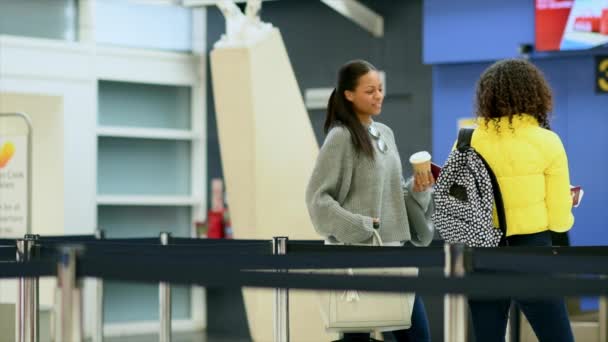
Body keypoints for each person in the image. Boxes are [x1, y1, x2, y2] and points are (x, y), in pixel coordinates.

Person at [305, 59, 433, 342]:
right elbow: (317, 198)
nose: (379, 96)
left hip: (392, 254)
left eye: (380, 89)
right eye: (370, 91)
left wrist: (420, 188)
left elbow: (395, 193)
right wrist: (361, 225)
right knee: (356, 339)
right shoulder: (341, 137)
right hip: (356, 256)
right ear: (349, 94)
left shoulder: (385, 133)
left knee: (417, 336)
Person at [465, 59, 575, 342]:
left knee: (488, 336)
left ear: (486, 96)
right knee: (557, 336)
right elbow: (560, 219)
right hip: (532, 250)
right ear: (535, 92)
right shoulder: (547, 141)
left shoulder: (467, 140)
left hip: (482, 251)